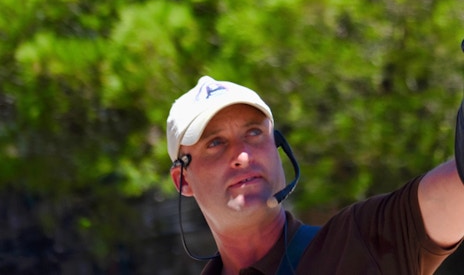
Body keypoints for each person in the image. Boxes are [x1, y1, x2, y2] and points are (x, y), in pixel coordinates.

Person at [167, 75, 464, 274]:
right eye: (215, 143)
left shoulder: (360, 244)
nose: (243, 156)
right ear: (183, 179)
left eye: (254, 132)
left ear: (277, 146)